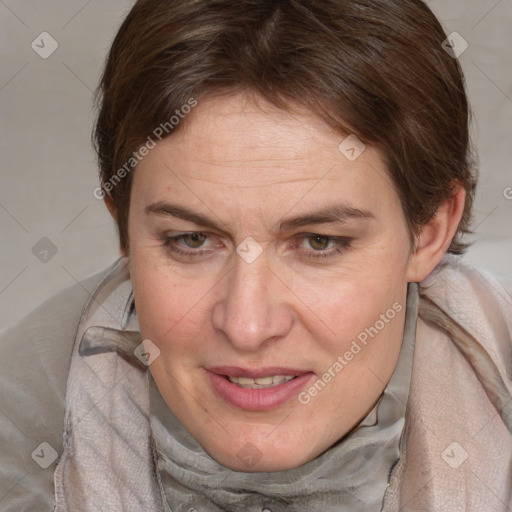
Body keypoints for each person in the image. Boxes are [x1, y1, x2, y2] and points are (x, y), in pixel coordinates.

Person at [1, 0, 511, 510]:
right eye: (192, 240)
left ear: (428, 232)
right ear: (124, 227)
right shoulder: (21, 435)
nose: (247, 326)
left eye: (319, 242)